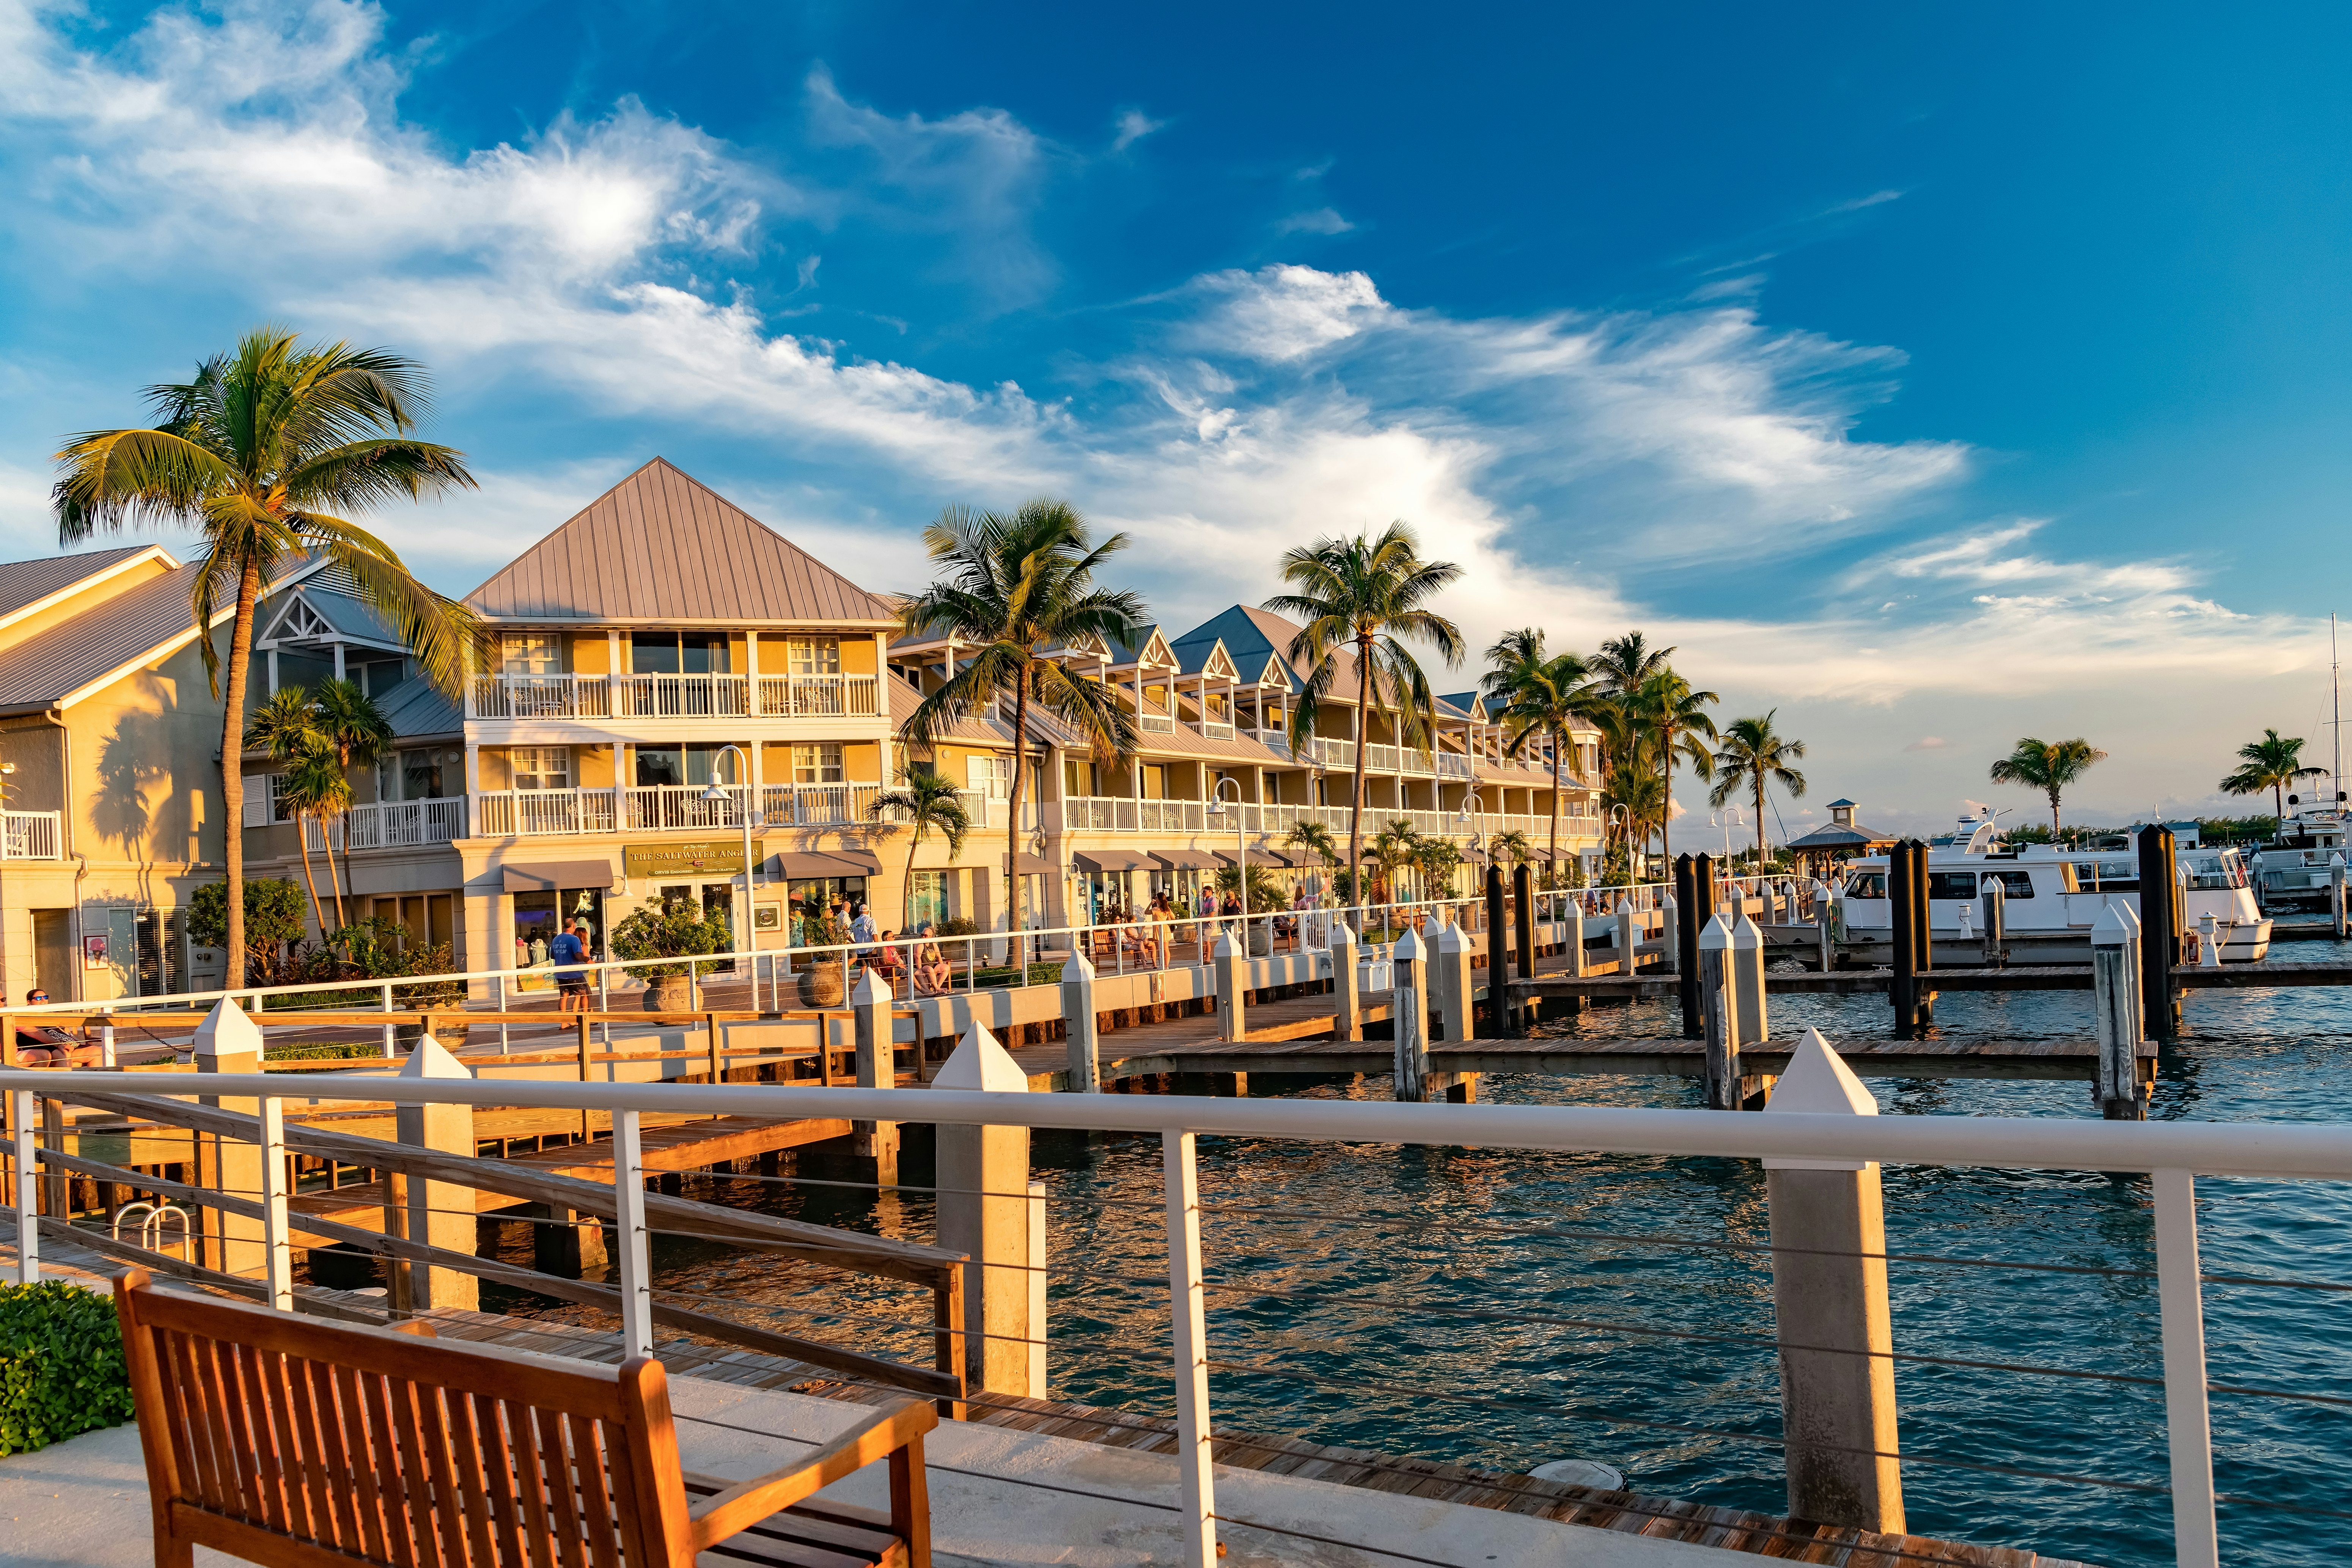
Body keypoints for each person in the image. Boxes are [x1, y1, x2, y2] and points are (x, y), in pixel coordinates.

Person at [550, 919, 592, 1012]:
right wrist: (586, 958)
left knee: (564, 997)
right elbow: (578, 956)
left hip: (560, 974)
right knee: (586, 994)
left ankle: (564, 1023)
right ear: (573, 926)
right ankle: (585, 1019)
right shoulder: (574, 939)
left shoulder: (556, 939)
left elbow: (552, 956)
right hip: (574, 974)